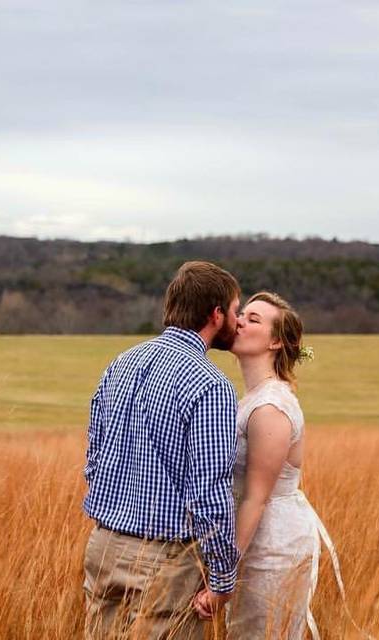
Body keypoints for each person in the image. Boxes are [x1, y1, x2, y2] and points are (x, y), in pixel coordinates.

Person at [82, 260, 242, 639]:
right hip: (165, 559)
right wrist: (222, 578)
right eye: (236, 311)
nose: (238, 320)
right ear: (216, 315)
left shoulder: (120, 363)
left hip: (103, 546)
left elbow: (93, 458)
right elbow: (208, 492)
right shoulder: (210, 384)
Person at [192, 291, 343, 639]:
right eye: (241, 314)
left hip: (273, 546)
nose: (239, 320)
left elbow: (256, 497)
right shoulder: (251, 399)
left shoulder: (271, 407)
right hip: (251, 538)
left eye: (253, 319)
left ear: (275, 341)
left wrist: (221, 580)